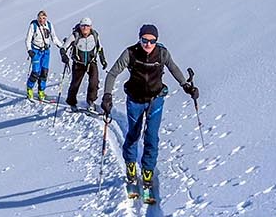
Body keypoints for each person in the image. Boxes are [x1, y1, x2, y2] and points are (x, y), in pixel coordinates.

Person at [101, 24, 198, 204]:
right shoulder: (130, 53)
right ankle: (131, 168)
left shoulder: (162, 53)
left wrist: (186, 86)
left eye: (152, 41)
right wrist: (107, 95)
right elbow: (112, 73)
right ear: (140, 39)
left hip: (155, 100)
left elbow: (174, 68)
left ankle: (147, 173)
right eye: (144, 40)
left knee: (152, 136)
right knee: (133, 134)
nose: (148, 44)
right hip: (135, 100)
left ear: (156, 41)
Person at [59, 17, 107, 112]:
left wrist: (103, 60)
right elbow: (63, 48)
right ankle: (72, 102)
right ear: (80, 26)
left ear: (90, 27)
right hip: (78, 64)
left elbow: (100, 48)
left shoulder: (95, 35)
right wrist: (64, 56)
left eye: (87, 26)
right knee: (75, 84)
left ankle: (91, 101)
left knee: (94, 82)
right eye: (83, 26)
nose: (85, 28)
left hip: (91, 62)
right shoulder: (75, 36)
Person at [25, 10, 55, 101]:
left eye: (44, 18)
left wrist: (62, 47)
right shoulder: (33, 26)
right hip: (36, 51)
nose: (42, 20)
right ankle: (29, 88)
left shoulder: (49, 25)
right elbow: (28, 40)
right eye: (40, 18)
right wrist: (29, 50)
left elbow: (54, 37)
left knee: (44, 72)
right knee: (36, 72)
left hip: (46, 51)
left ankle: (41, 91)